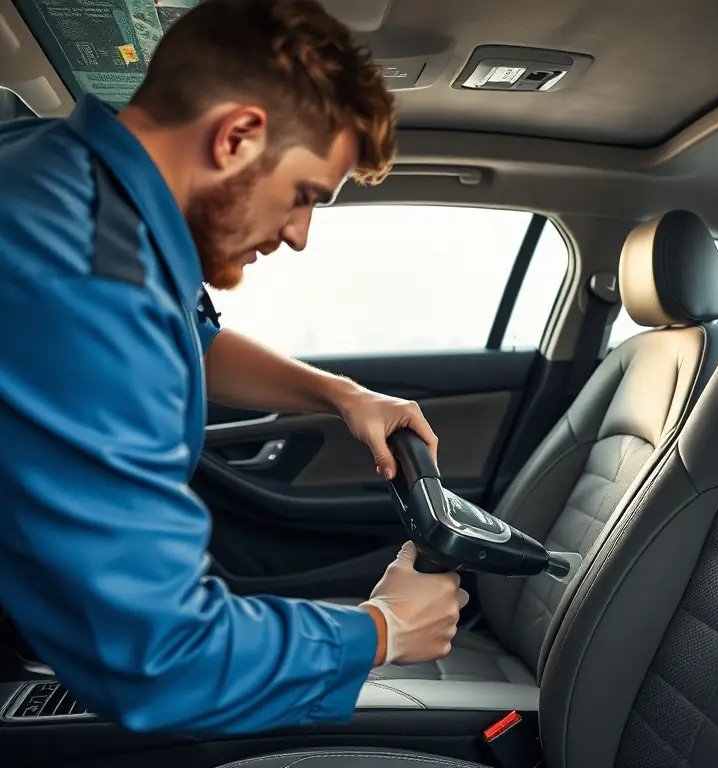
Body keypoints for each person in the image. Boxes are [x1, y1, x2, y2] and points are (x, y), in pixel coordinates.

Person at [0, 0, 467, 735]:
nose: (301, 235)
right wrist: (383, 631)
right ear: (239, 136)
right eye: (306, 195)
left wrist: (340, 394)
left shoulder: (62, 175)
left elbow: (187, 335)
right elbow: (156, 658)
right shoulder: (90, 282)